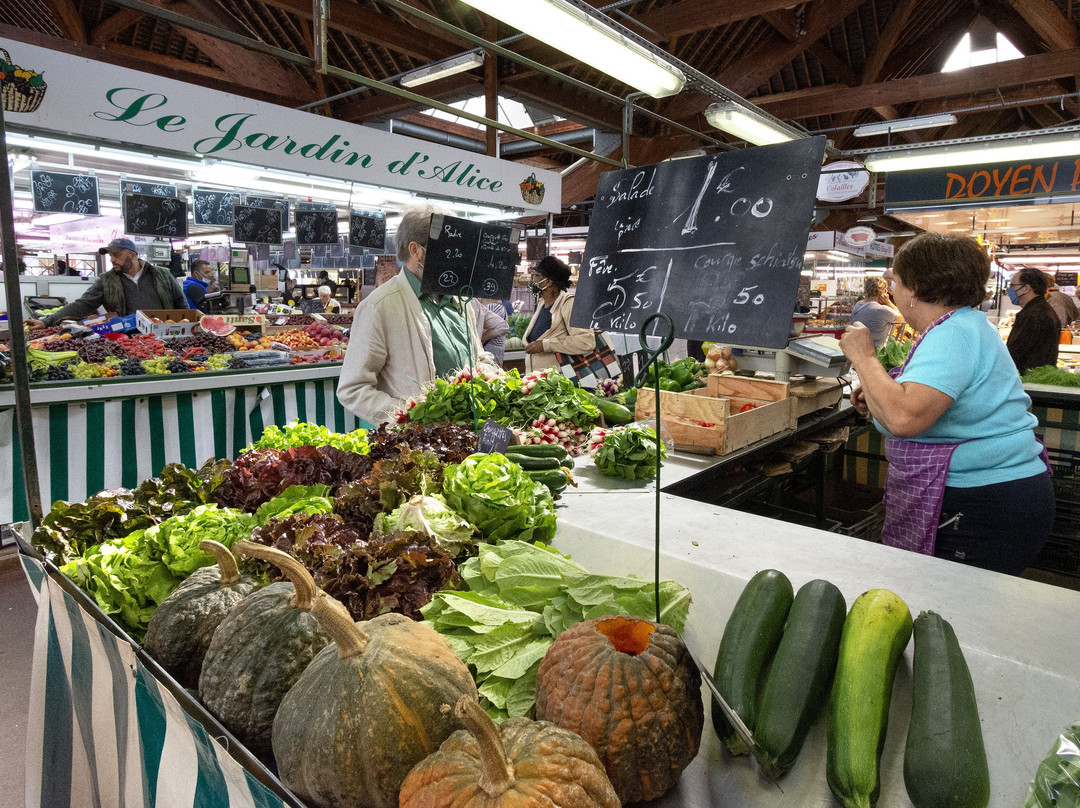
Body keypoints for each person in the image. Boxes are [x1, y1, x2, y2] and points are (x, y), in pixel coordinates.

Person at [839, 233, 1053, 576]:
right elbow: (913, 402)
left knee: (954, 614)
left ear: (918, 288)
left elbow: (903, 418)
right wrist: (879, 393)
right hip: (990, 498)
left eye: (897, 282)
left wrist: (864, 359)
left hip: (981, 503)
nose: (893, 290)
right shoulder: (961, 326)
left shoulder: (954, 333)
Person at [337, 205, 494, 427]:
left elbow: (479, 357)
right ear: (416, 250)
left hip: (468, 432)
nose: (458, 259)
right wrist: (410, 417)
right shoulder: (380, 306)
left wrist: (488, 377)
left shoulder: (460, 301)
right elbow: (353, 389)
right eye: (450, 250)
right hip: (414, 443)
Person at [25, 237, 186, 329]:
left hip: (164, 332)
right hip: (128, 336)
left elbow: (181, 305)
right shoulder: (106, 281)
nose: (112, 259)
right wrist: (46, 321)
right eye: (110, 256)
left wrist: (189, 327)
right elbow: (82, 305)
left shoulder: (162, 274)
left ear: (132, 255)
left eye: (116, 255)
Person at [522, 256, 597, 373]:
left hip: (558, 382)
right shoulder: (542, 303)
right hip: (536, 381)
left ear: (549, 281)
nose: (533, 280)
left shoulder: (569, 303)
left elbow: (586, 341)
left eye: (537, 276)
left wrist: (546, 345)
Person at [1005, 267, 1060, 375]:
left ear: (1026, 288)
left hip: (1028, 380)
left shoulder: (1032, 315)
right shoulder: (1044, 310)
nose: (1009, 290)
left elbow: (1014, 352)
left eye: (1012, 286)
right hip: (1039, 378)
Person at [849, 276, 903, 348]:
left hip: (856, 349)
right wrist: (888, 302)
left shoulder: (858, 304)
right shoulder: (881, 310)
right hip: (874, 353)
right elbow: (903, 318)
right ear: (882, 292)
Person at [473, 298, 510, 364]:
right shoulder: (497, 306)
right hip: (494, 355)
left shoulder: (493, 306)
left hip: (488, 355)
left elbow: (502, 327)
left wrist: (477, 340)